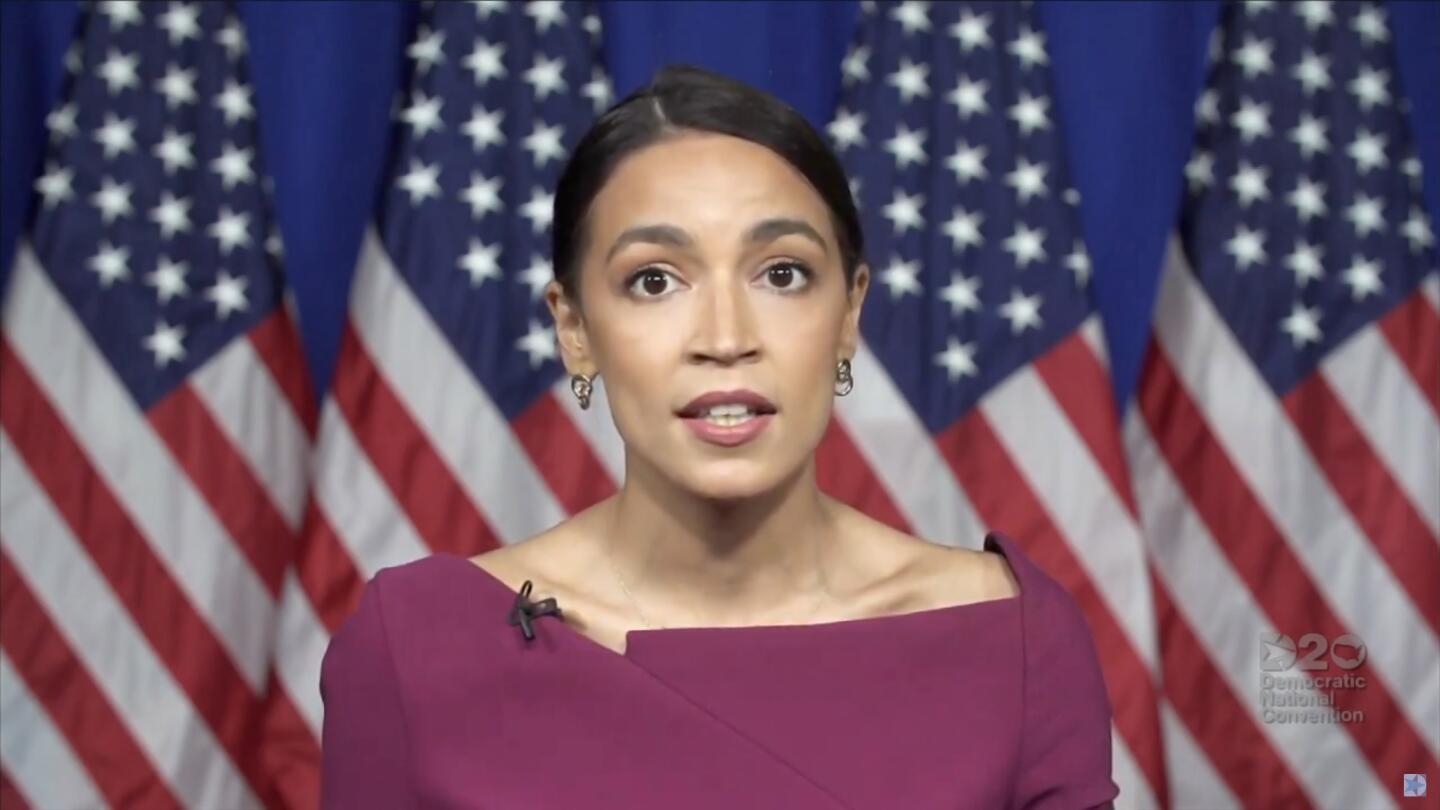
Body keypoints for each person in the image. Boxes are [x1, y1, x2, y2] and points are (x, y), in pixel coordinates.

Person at [319, 64, 1120, 810]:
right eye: (655, 280)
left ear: (847, 315)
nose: (725, 336)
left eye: (782, 273)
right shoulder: (418, 652)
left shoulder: (1014, 643)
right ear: (574, 329)